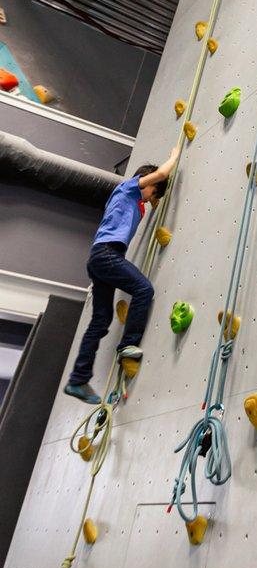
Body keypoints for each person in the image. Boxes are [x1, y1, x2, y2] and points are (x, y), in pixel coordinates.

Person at [63, 147, 179, 403]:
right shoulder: (128, 188)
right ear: (145, 182)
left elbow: (153, 196)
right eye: (152, 192)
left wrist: (156, 197)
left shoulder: (134, 202)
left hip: (100, 258)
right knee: (144, 289)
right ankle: (128, 344)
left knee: (100, 321)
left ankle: (78, 380)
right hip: (107, 254)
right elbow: (159, 174)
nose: (151, 199)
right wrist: (174, 155)